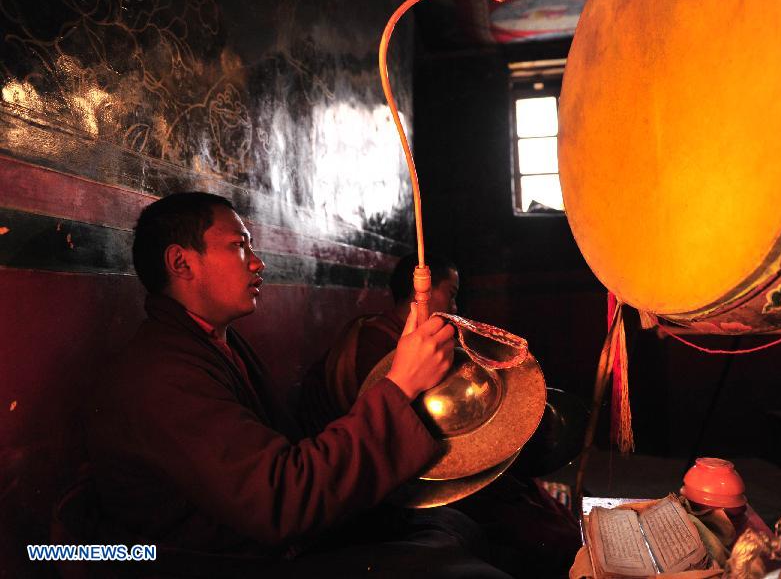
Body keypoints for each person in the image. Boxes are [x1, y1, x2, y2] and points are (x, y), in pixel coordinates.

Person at [86, 192, 512, 578]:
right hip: (217, 563)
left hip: (265, 540)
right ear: (181, 263)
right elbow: (279, 500)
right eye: (238, 246)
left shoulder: (212, 342)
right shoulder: (161, 373)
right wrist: (399, 384)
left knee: (446, 526)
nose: (257, 261)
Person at [299, 252, 583, 579]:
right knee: (532, 525)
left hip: (425, 458)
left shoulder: (408, 339)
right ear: (424, 290)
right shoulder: (377, 344)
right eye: (451, 293)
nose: (456, 306)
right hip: (402, 480)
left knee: (531, 497)